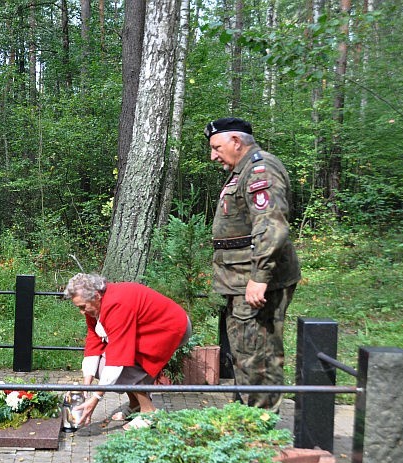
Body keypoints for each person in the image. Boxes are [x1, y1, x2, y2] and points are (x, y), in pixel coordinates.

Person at [204, 117, 301, 412]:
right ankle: (249, 420)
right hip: (239, 281)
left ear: (236, 141)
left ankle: (260, 429)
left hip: (255, 283)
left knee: (258, 357)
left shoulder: (261, 169)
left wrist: (259, 277)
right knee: (245, 353)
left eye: (217, 147)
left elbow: (271, 226)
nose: (213, 155)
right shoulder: (242, 170)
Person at [63, 273, 191, 429]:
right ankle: (136, 404)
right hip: (150, 328)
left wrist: (95, 399)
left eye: (83, 307)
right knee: (103, 366)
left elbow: (118, 359)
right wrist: (85, 388)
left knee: (124, 366)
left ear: (96, 295)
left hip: (169, 328)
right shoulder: (94, 306)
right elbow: (94, 342)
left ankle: (149, 412)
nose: (81, 312)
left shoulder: (116, 305)